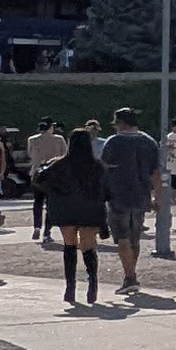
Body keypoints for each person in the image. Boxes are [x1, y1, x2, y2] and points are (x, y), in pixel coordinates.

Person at [43, 123, 111, 304]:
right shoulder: (97, 167)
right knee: (89, 247)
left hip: (67, 209)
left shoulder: (59, 165)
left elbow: (40, 180)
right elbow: (108, 189)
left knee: (69, 246)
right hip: (90, 210)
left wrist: (57, 190)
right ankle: (92, 283)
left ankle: (70, 287)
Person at [100, 106, 160, 297]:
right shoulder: (149, 142)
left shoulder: (114, 142)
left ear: (121, 123)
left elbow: (104, 166)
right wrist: (156, 197)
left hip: (119, 195)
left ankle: (130, 276)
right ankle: (131, 274)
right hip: (141, 195)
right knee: (135, 237)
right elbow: (156, 173)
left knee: (122, 237)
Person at [25, 120, 69, 243]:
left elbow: (30, 153)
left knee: (37, 202)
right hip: (54, 174)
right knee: (51, 204)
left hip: (37, 173)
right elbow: (64, 154)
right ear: (50, 128)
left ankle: (36, 226)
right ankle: (47, 232)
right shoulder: (59, 139)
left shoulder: (32, 139)